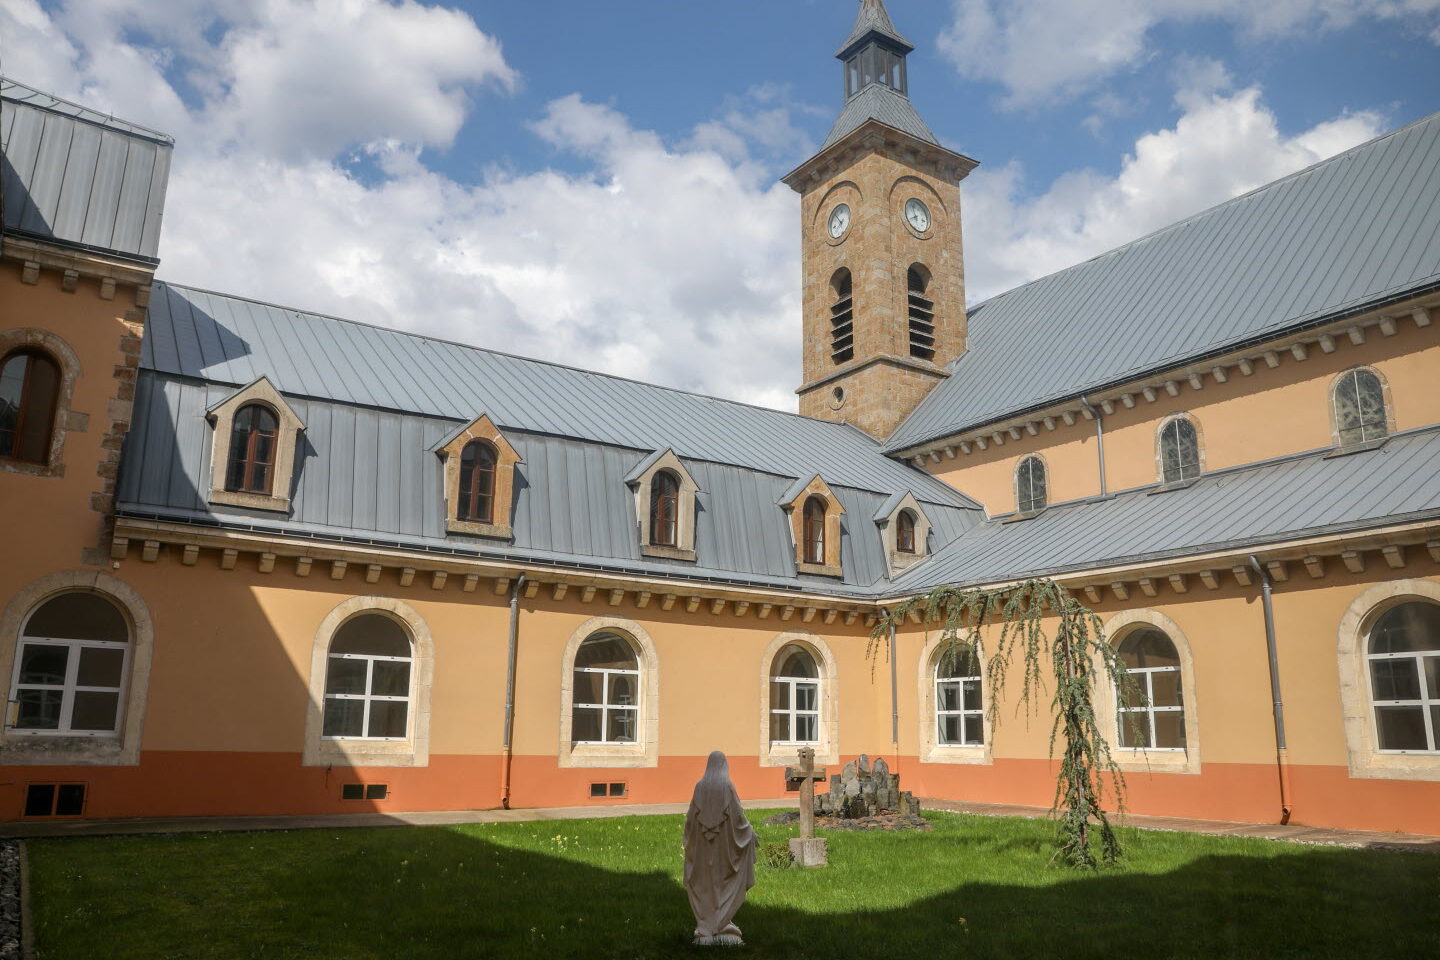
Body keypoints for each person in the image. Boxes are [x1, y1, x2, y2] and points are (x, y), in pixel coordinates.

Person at [682, 750, 757, 945]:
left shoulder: (700, 787)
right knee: (722, 882)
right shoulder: (727, 786)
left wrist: (689, 842)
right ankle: (719, 924)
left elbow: (691, 819)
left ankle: (707, 926)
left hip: (702, 850)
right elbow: (738, 818)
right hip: (724, 851)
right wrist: (749, 833)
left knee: (705, 883)